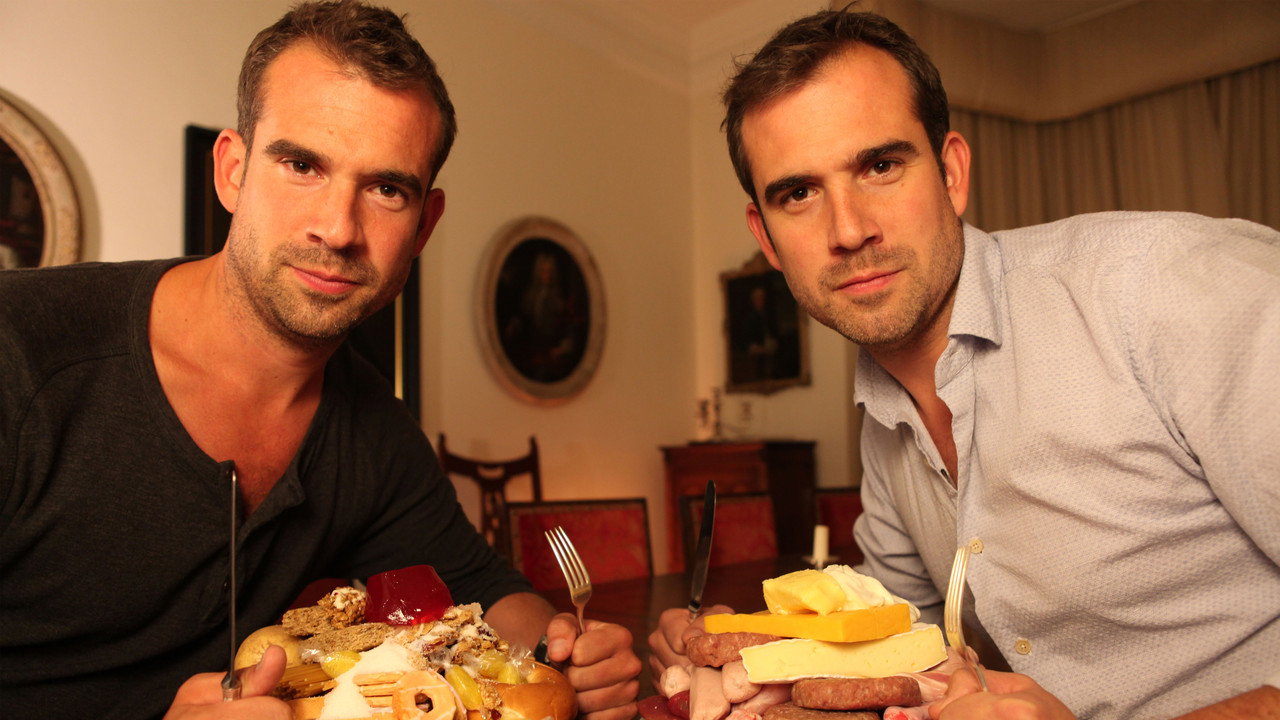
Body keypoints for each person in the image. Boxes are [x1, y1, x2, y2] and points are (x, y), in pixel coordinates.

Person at [0, 2, 639, 719]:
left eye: (386, 189)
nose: (337, 229)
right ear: (233, 171)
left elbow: (483, 591)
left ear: (424, 226)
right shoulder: (17, 351)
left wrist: (565, 653)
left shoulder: (371, 426)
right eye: (302, 165)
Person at [650, 8, 1280, 720]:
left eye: (881, 166)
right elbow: (901, 634)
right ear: (766, 238)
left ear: (951, 173)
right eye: (799, 193)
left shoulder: (1167, 287)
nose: (849, 230)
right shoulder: (883, 414)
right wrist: (753, 643)